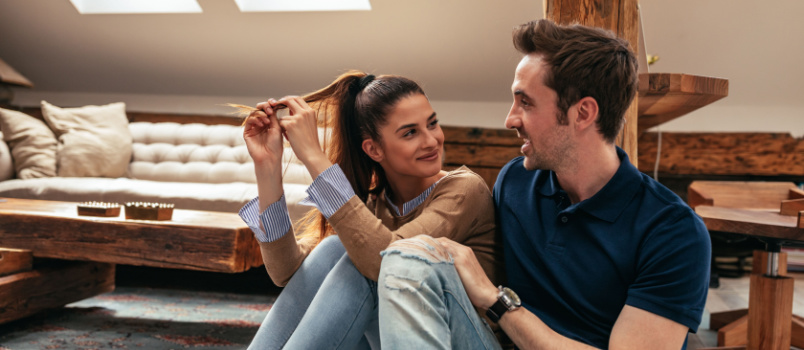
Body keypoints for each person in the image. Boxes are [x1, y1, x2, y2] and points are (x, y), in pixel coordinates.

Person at [376, 19, 711, 349]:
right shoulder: (516, 182)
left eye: (526, 102)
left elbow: (489, 294)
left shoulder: (673, 232)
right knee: (388, 258)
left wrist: (497, 301)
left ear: (582, 113)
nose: (510, 119)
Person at [236, 71, 503, 349]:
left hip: (472, 339)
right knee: (334, 249)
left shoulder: (464, 190)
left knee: (371, 261)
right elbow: (288, 274)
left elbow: (391, 260)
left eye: (432, 124)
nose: (431, 140)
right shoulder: (375, 203)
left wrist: (314, 156)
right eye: (411, 132)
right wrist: (267, 166)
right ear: (374, 150)